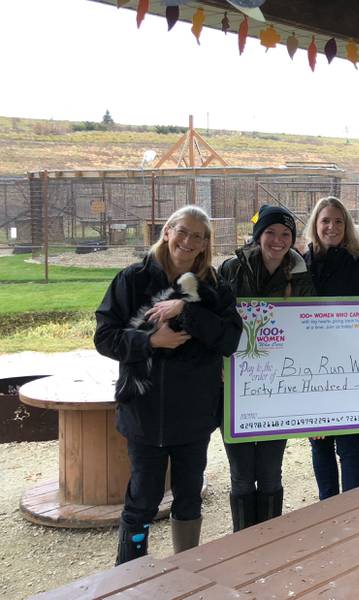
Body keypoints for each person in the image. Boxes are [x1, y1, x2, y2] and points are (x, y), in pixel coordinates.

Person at [94, 205, 242, 565]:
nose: (188, 241)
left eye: (198, 236)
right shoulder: (132, 280)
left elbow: (229, 339)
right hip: (145, 414)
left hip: (193, 416)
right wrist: (150, 342)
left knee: (189, 496)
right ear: (166, 232)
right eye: (182, 231)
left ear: (206, 244)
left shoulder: (214, 288)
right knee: (142, 500)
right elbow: (105, 337)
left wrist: (184, 310)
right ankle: (129, 573)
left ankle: (185, 568)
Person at [218, 205, 315, 531]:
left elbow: (308, 328)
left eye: (285, 234)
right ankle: (244, 542)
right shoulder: (231, 270)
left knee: (271, 469)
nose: (278, 240)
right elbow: (215, 320)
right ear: (258, 235)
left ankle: (268, 541)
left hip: (279, 389)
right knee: (242, 474)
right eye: (270, 232)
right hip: (235, 387)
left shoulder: (301, 276)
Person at [303, 196, 359, 499]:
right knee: (319, 441)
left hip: (351, 367)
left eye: (338, 221)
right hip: (310, 370)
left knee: (351, 444)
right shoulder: (299, 264)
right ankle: (327, 506)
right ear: (315, 225)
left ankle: (353, 508)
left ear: (346, 227)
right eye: (325, 221)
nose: (331, 227)